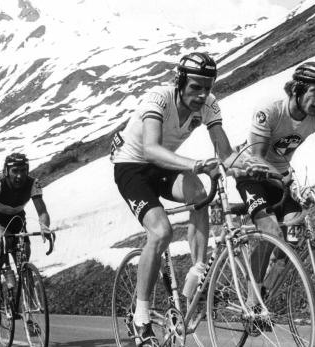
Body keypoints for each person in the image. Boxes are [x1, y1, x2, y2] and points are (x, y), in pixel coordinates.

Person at [110, 52, 266, 347]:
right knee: (161, 232)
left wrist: (245, 166)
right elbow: (152, 149)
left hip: (163, 167)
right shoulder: (159, 98)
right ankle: (140, 316)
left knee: (198, 192)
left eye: (207, 87)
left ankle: (197, 270)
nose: (202, 94)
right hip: (132, 166)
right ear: (180, 82)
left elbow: (226, 154)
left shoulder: (209, 105)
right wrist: (194, 164)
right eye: (195, 87)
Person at [236, 61, 315, 308]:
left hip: (282, 176)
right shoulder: (271, 109)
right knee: (271, 232)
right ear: (296, 89)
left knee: (293, 237)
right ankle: (251, 304)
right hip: (251, 173)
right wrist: (286, 182)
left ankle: (264, 295)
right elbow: (258, 157)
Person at [0, 153, 51, 301]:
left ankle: (27, 301)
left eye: (23, 170)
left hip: (16, 219)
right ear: (6, 171)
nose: (20, 176)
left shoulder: (33, 183)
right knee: (4, 243)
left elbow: (42, 211)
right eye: (15, 171)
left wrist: (44, 226)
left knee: (24, 253)